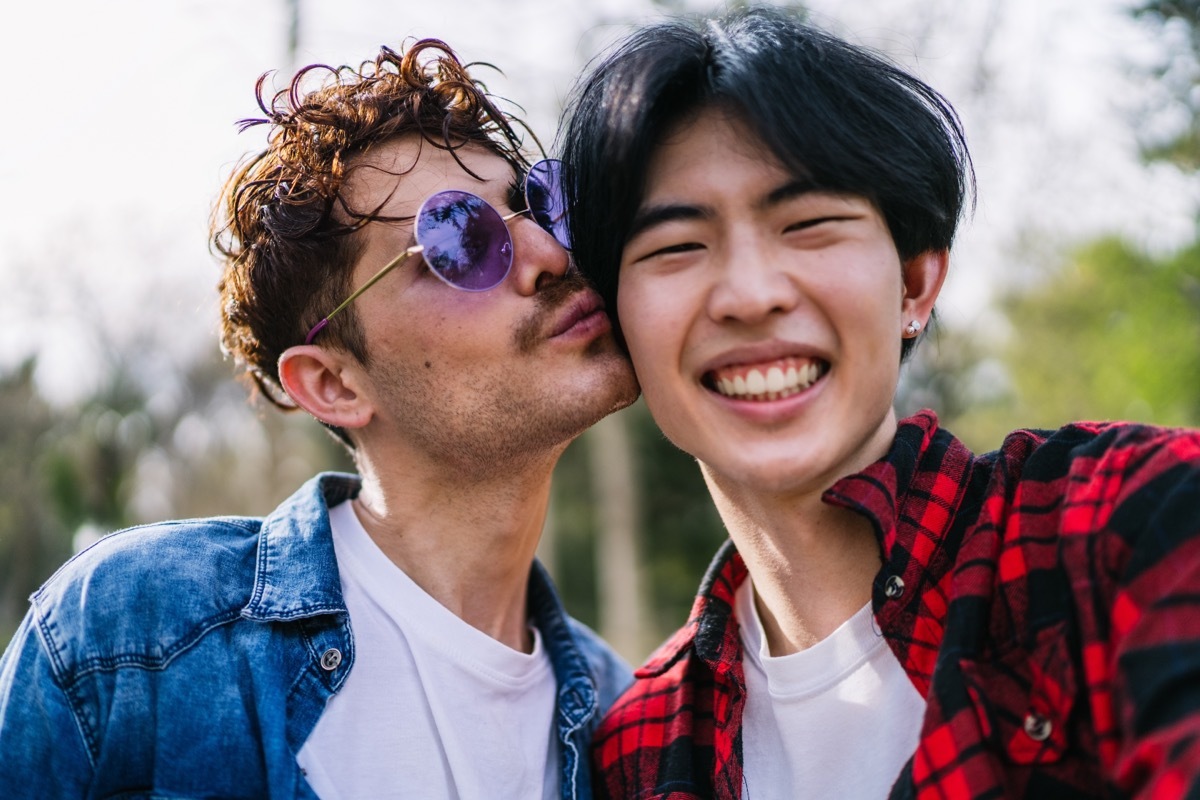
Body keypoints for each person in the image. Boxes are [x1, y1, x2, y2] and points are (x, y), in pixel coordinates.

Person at [558, 7, 1200, 799]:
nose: (751, 295)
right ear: (617, 324)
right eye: (677, 246)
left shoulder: (1128, 522)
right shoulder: (636, 748)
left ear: (915, 284)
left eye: (810, 225)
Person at [0, 39, 638, 799]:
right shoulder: (131, 637)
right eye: (458, 238)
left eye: (540, 204)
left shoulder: (628, 721)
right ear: (334, 384)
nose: (548, 253)